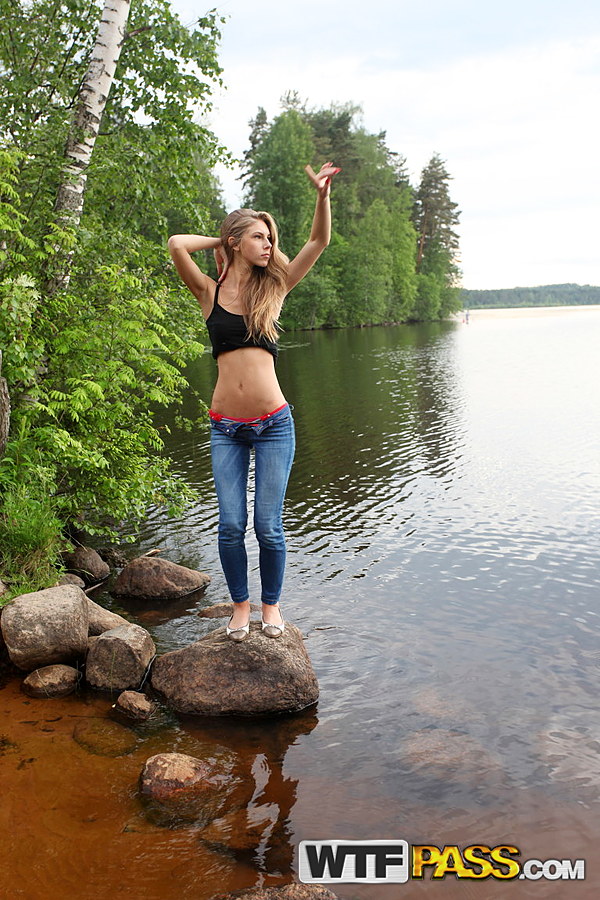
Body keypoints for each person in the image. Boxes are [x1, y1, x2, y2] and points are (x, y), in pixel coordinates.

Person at [168, 162, 340, 641]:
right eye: (260, 237)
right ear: (237, 242)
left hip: (273, 425)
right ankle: (240, 608)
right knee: (229, 525)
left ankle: (271, 607)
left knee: (268, 526)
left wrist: (322, 196)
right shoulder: (209, 292)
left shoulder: (275, 288)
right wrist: (221, 243)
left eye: (270, 238)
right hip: (225, 427)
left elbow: (318, 242)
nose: (268, 245)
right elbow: (177, 244)